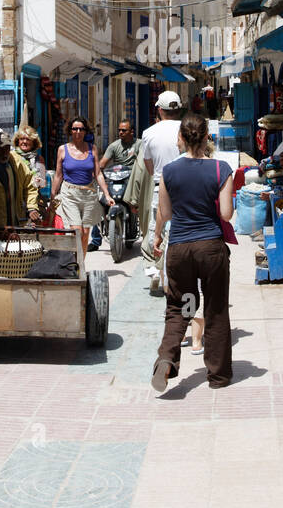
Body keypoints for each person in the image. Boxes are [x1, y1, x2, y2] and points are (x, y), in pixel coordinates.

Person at [151, 111, 235, 394]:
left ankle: (166, 359)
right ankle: (218, 376)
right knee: (215, 309)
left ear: (181, 138)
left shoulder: (169, 171)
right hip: (210, 249)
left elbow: (165, 213)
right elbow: (226, 214)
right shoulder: (220, 169)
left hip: (180, 250)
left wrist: (157, 234)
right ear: (207, 136)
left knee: (180, 306)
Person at [50, 116, 114, 257]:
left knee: (85, 233)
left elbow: (98, 174)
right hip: (70, 194)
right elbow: (58, 175)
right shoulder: (62, 149)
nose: (78, 131)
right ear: (70, 131)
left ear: (85, 131)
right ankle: (73, 265)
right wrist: (53, 195)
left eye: (81, 129)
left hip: (88, 194)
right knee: (77, 231)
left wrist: (107, 194)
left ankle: (80, 265)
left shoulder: (92, 149)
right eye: (75, 129)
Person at [141, 91, 184, 295]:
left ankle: (156, 270)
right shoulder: (187, 129)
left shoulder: (148, 133)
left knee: (154, 233)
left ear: (159, 109)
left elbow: (149, 168)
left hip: (161, 187)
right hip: (187, 187)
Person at [89, 120, 139, 250]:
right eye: (119, 130)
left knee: (138, 204)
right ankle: (95, 240)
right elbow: (103, 163)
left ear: (131, 132)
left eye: (124, 130)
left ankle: (138, 231)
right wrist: (95, 172)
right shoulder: (114, 146)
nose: (120, 133)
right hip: (117, 178)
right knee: (100, 203)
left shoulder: (140, 145)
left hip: (133, 180)